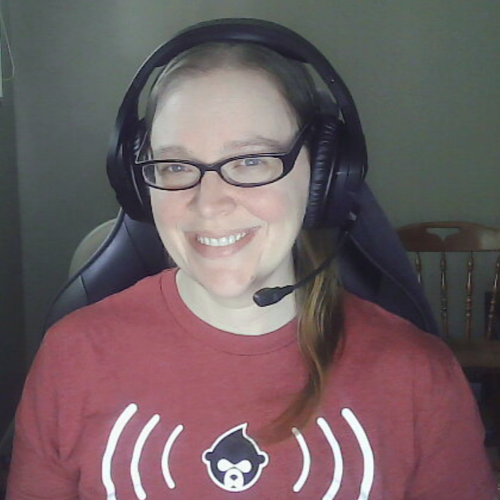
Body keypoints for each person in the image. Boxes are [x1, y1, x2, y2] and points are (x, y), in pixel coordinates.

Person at [7, 20, 498, 500]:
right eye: (176, 165)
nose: (209, 203)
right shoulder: (73, 356)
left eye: (251, 161)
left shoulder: (419, 377)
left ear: (325, 175)